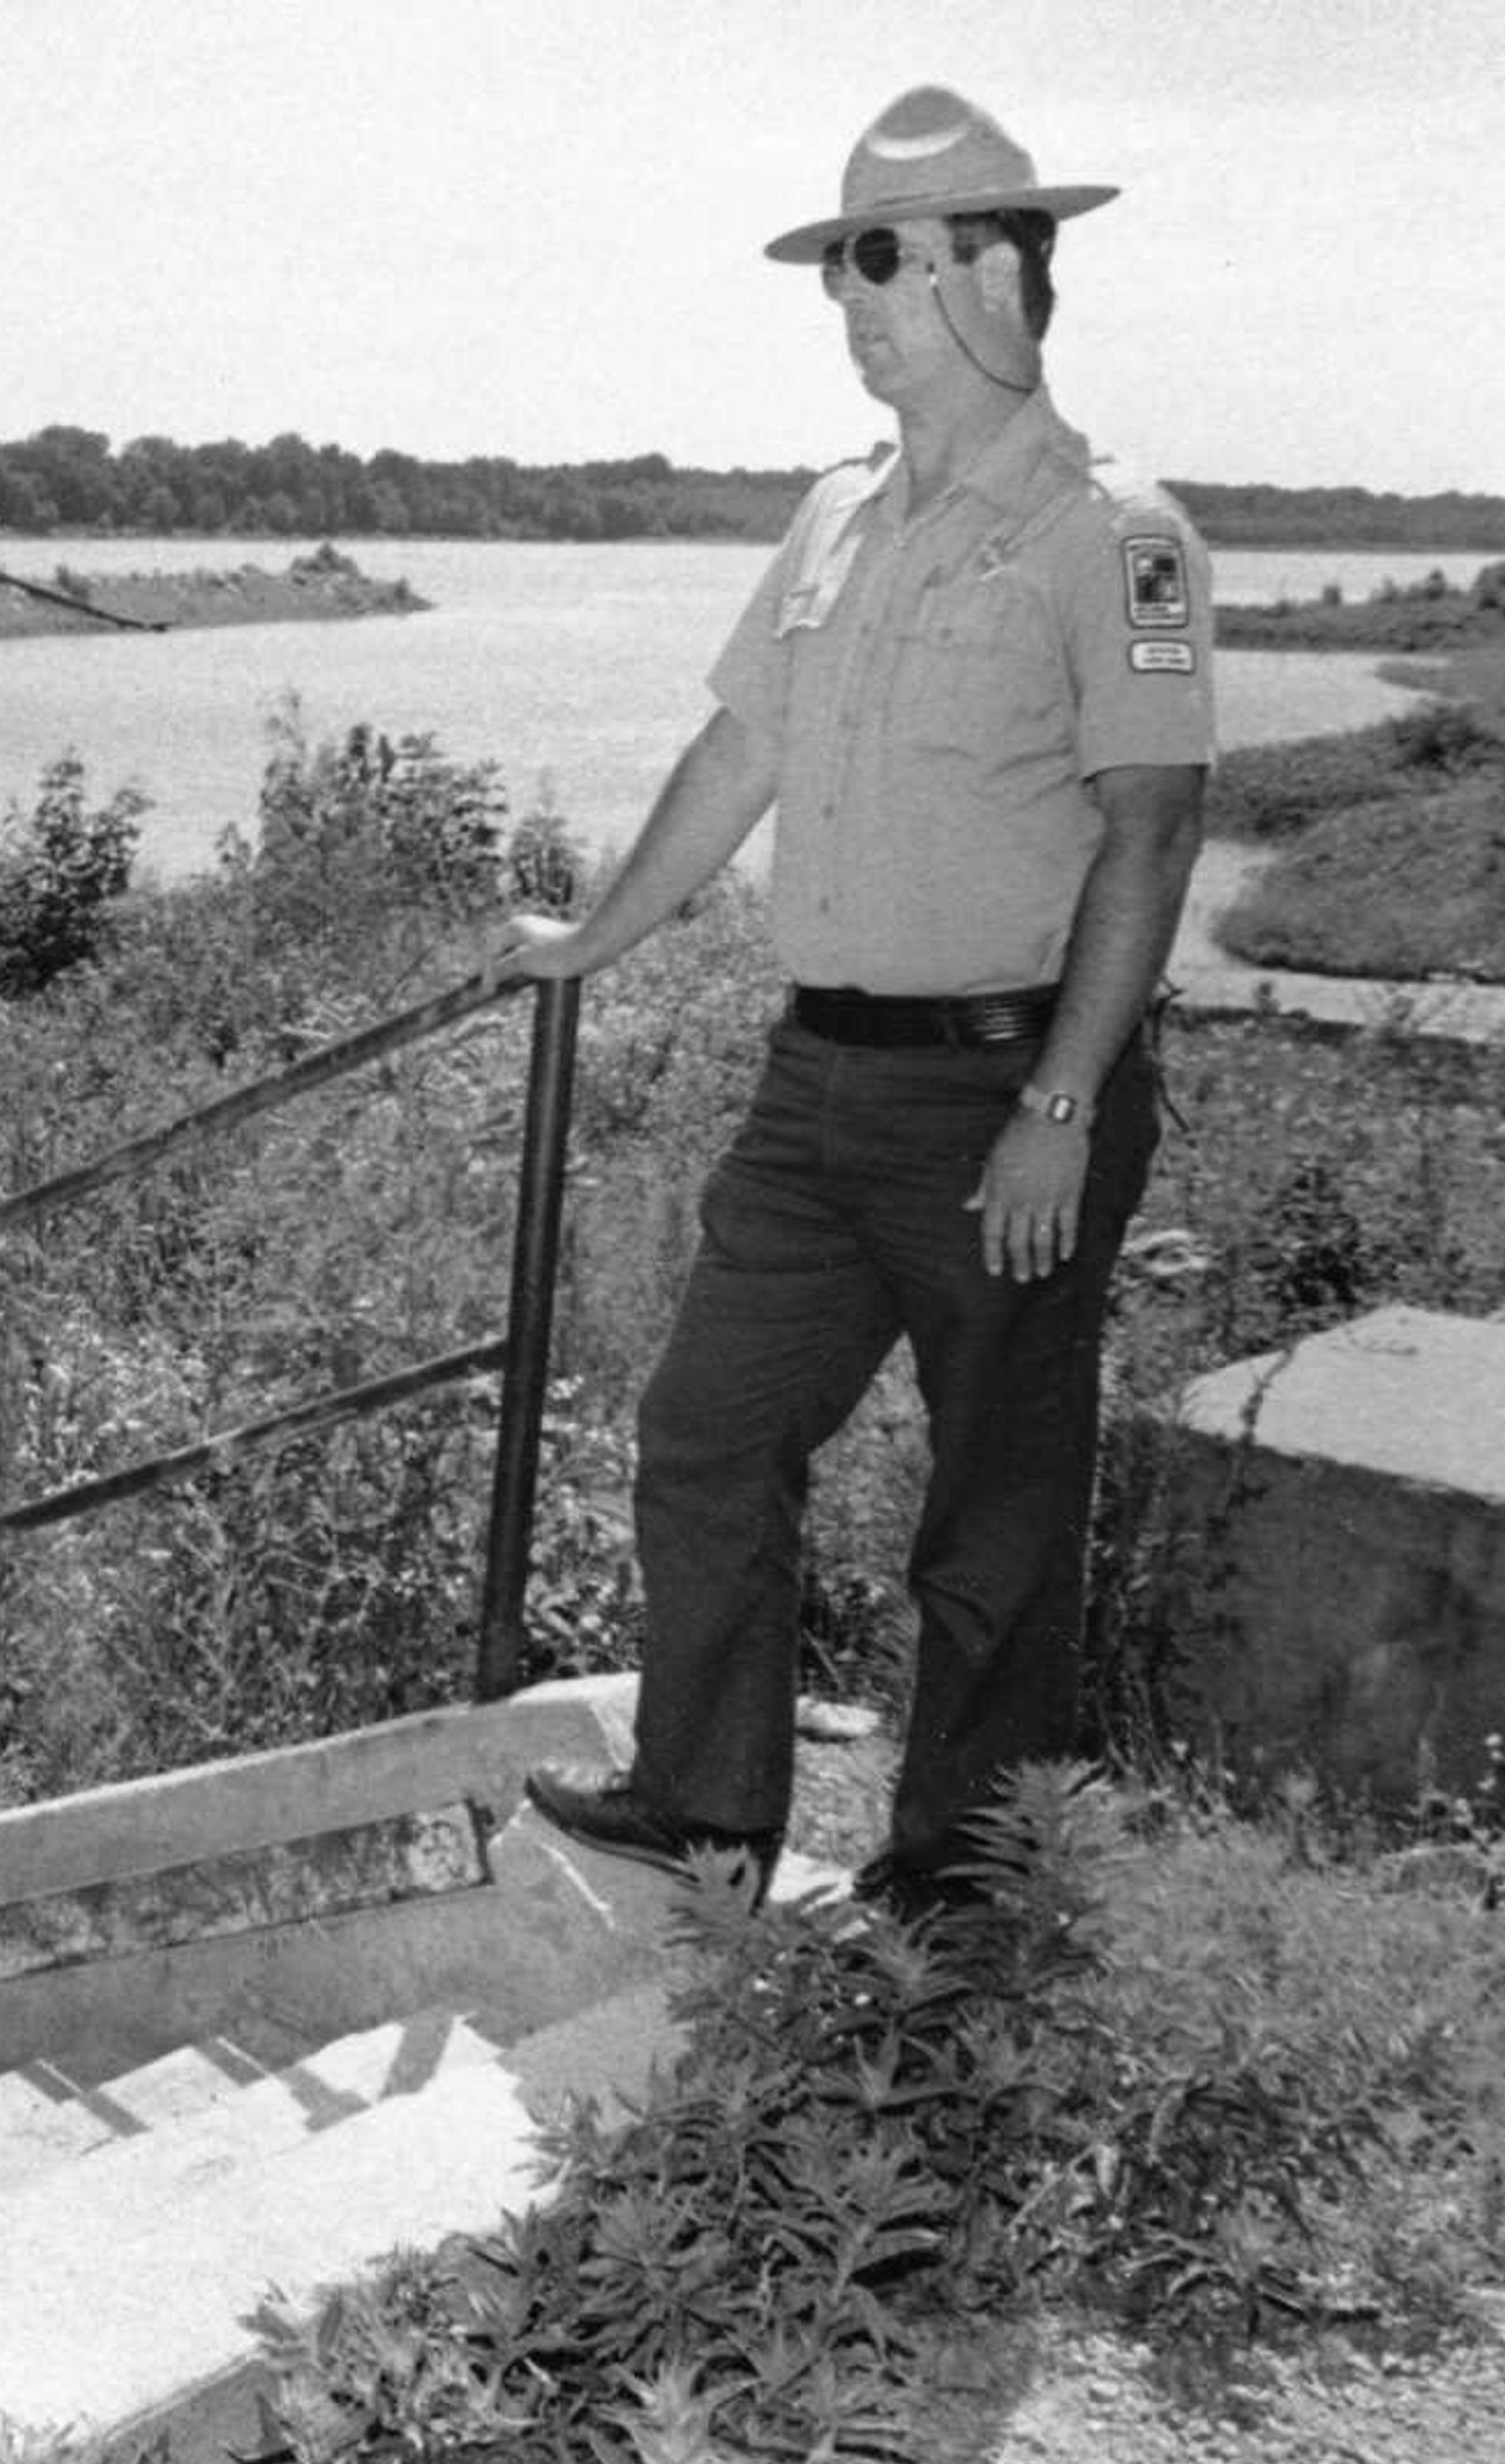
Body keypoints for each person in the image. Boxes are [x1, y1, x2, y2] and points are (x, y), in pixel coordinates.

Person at [496, 86, 1214, 1921]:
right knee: (708, 1433)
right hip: (817, 1085)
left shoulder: (1112, 532)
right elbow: (741, 751)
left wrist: (1062, 1100)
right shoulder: (835, 518)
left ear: (1002, 274)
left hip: (1004, 1093)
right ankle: (711, 1822)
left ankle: (960, 1887)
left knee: (991, 1510)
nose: (855, 298)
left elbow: (1150, 832)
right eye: (842, 264)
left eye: (888, 259)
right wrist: (592, 938)